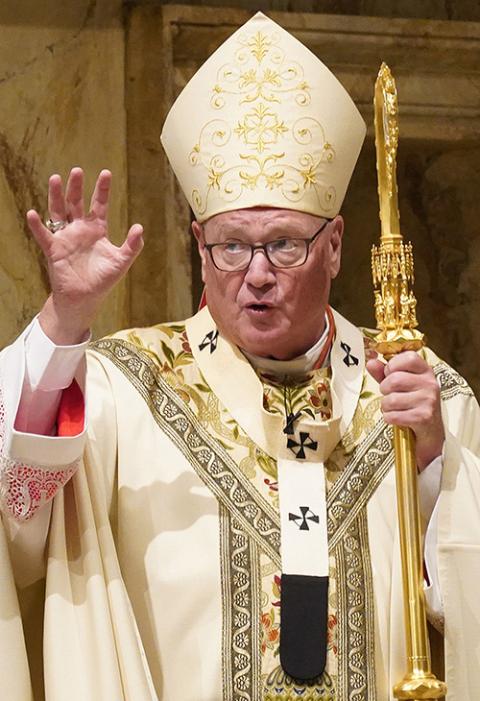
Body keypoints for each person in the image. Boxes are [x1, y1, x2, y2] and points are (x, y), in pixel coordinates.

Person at [0, 11, 479, 701]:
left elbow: (465, 604)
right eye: (231, 246)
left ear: (336, 242)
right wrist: (64, 318)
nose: (256, 273)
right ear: (199, 246)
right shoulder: (126, 389)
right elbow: (19, 505)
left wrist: (434, 461)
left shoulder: (416, 393)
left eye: (285, 243)